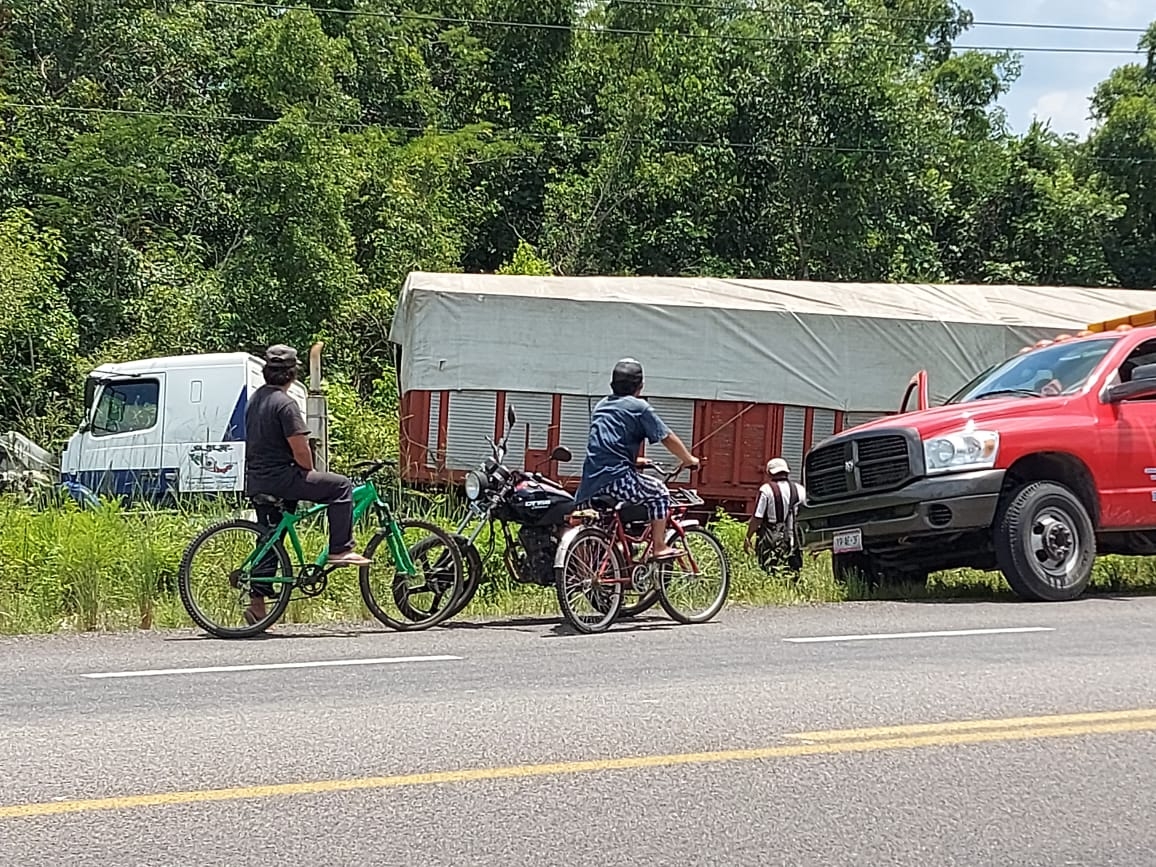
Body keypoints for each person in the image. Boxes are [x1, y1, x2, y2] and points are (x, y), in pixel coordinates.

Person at [244, 345, 369, 622]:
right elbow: (301, 450)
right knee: (340, 486)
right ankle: (340, 549)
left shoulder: (256, 399)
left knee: (270, 538)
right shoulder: (285, 404)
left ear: (266, 372)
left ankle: (257, 607)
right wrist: (308, 473)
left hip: (258, 480)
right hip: (281, 478)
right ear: (292, 374)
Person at [574, 358, 699, 559]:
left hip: (589, 483)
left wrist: (634, 461)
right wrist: (688, 459)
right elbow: (666, 436)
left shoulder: (601, 406)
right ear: (640, 386)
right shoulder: (639, 407)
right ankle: (659, 546)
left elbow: (607, 444)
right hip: (615, 478)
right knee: (659, 493)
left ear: (612, 385)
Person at [744, 457, 806, 574]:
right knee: (793, 572)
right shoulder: (800, 490)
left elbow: (757, 518)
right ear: (787, 472)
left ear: (769, 473)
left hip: (771, 536)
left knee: (768, 570)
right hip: (795, 537)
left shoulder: (766, 490)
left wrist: (748, 537)